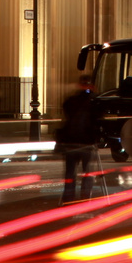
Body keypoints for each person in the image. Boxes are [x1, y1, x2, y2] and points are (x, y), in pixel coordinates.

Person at [55, 74, 101, 204]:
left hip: (70, 140)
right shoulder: (94, 102)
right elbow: (97, 120)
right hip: (86, 141)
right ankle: (86, 196)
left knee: (70, 172)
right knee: (87, 172)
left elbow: (66, 113)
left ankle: (68, 197)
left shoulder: (70, 100)